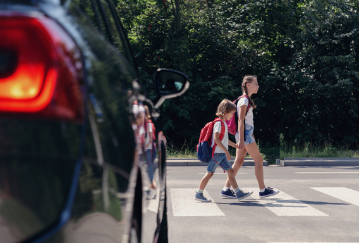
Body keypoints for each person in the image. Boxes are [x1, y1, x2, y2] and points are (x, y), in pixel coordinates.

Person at [221, 75, 280, 199]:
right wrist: (242, 139)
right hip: (244, 134)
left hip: (245, 133)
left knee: (239, 161)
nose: (258, 86)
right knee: (259, 160)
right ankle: (262, 190)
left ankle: (226, 189)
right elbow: (240, 120)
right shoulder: (244, 100)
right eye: (256, 83)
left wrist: (246, 135)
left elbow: (245, 121)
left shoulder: (245, 100)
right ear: (248, 84)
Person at [195, 99, 253, 202]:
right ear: (225, 111)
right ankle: (199, 193)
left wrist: (235, 146)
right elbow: (216, 139)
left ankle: (238, 193)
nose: (232, 116)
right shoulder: (219, 123)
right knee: (209, 173)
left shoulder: (223, 123)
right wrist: (226, 152)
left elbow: (225, 140)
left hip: (220, 154)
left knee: (230, 171)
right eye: (231, 113)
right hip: (217, 154)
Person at [144, 105, 157, 191]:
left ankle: (152, 187)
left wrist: (144, 146)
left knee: (149, 169)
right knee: (148, 169)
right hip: (148, 149)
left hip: (148, 149)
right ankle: (151, 187)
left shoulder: (148, 124)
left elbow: (150, 138)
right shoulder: (147, 123)